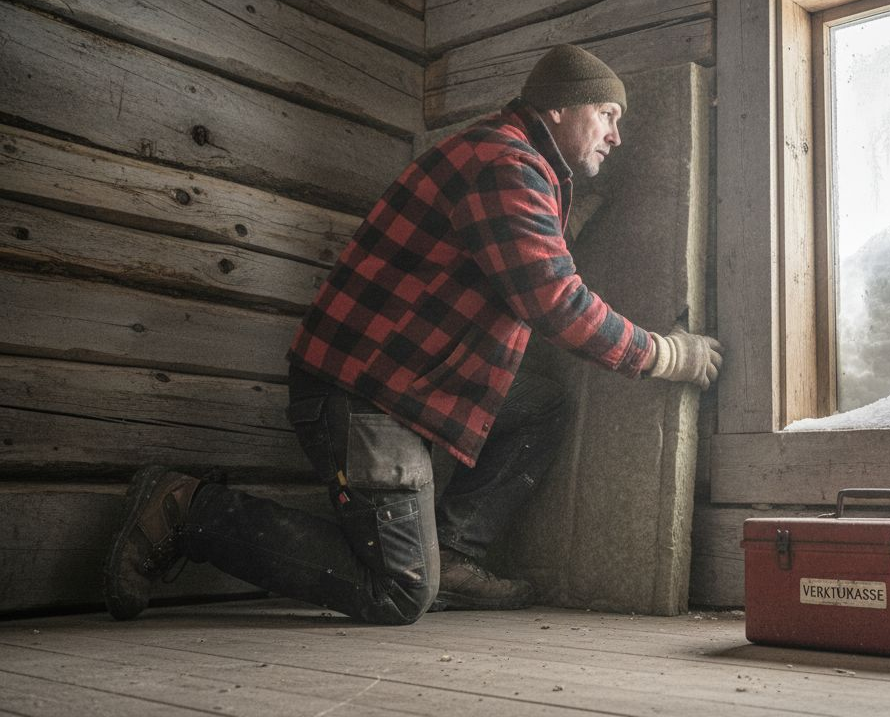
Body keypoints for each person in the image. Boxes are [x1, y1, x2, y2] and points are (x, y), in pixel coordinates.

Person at [103, 44, 723, 625]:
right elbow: (555, 302)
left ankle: (453, 552)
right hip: (365, 396)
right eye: (607, 114)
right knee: (398, 590)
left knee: (541, 405)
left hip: (411, 380)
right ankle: (186, 509)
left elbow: (507, 259)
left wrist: (568, 220)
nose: (616, 135)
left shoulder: (513, 161)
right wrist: (671, 355)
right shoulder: (506, 164)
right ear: (558, 107)